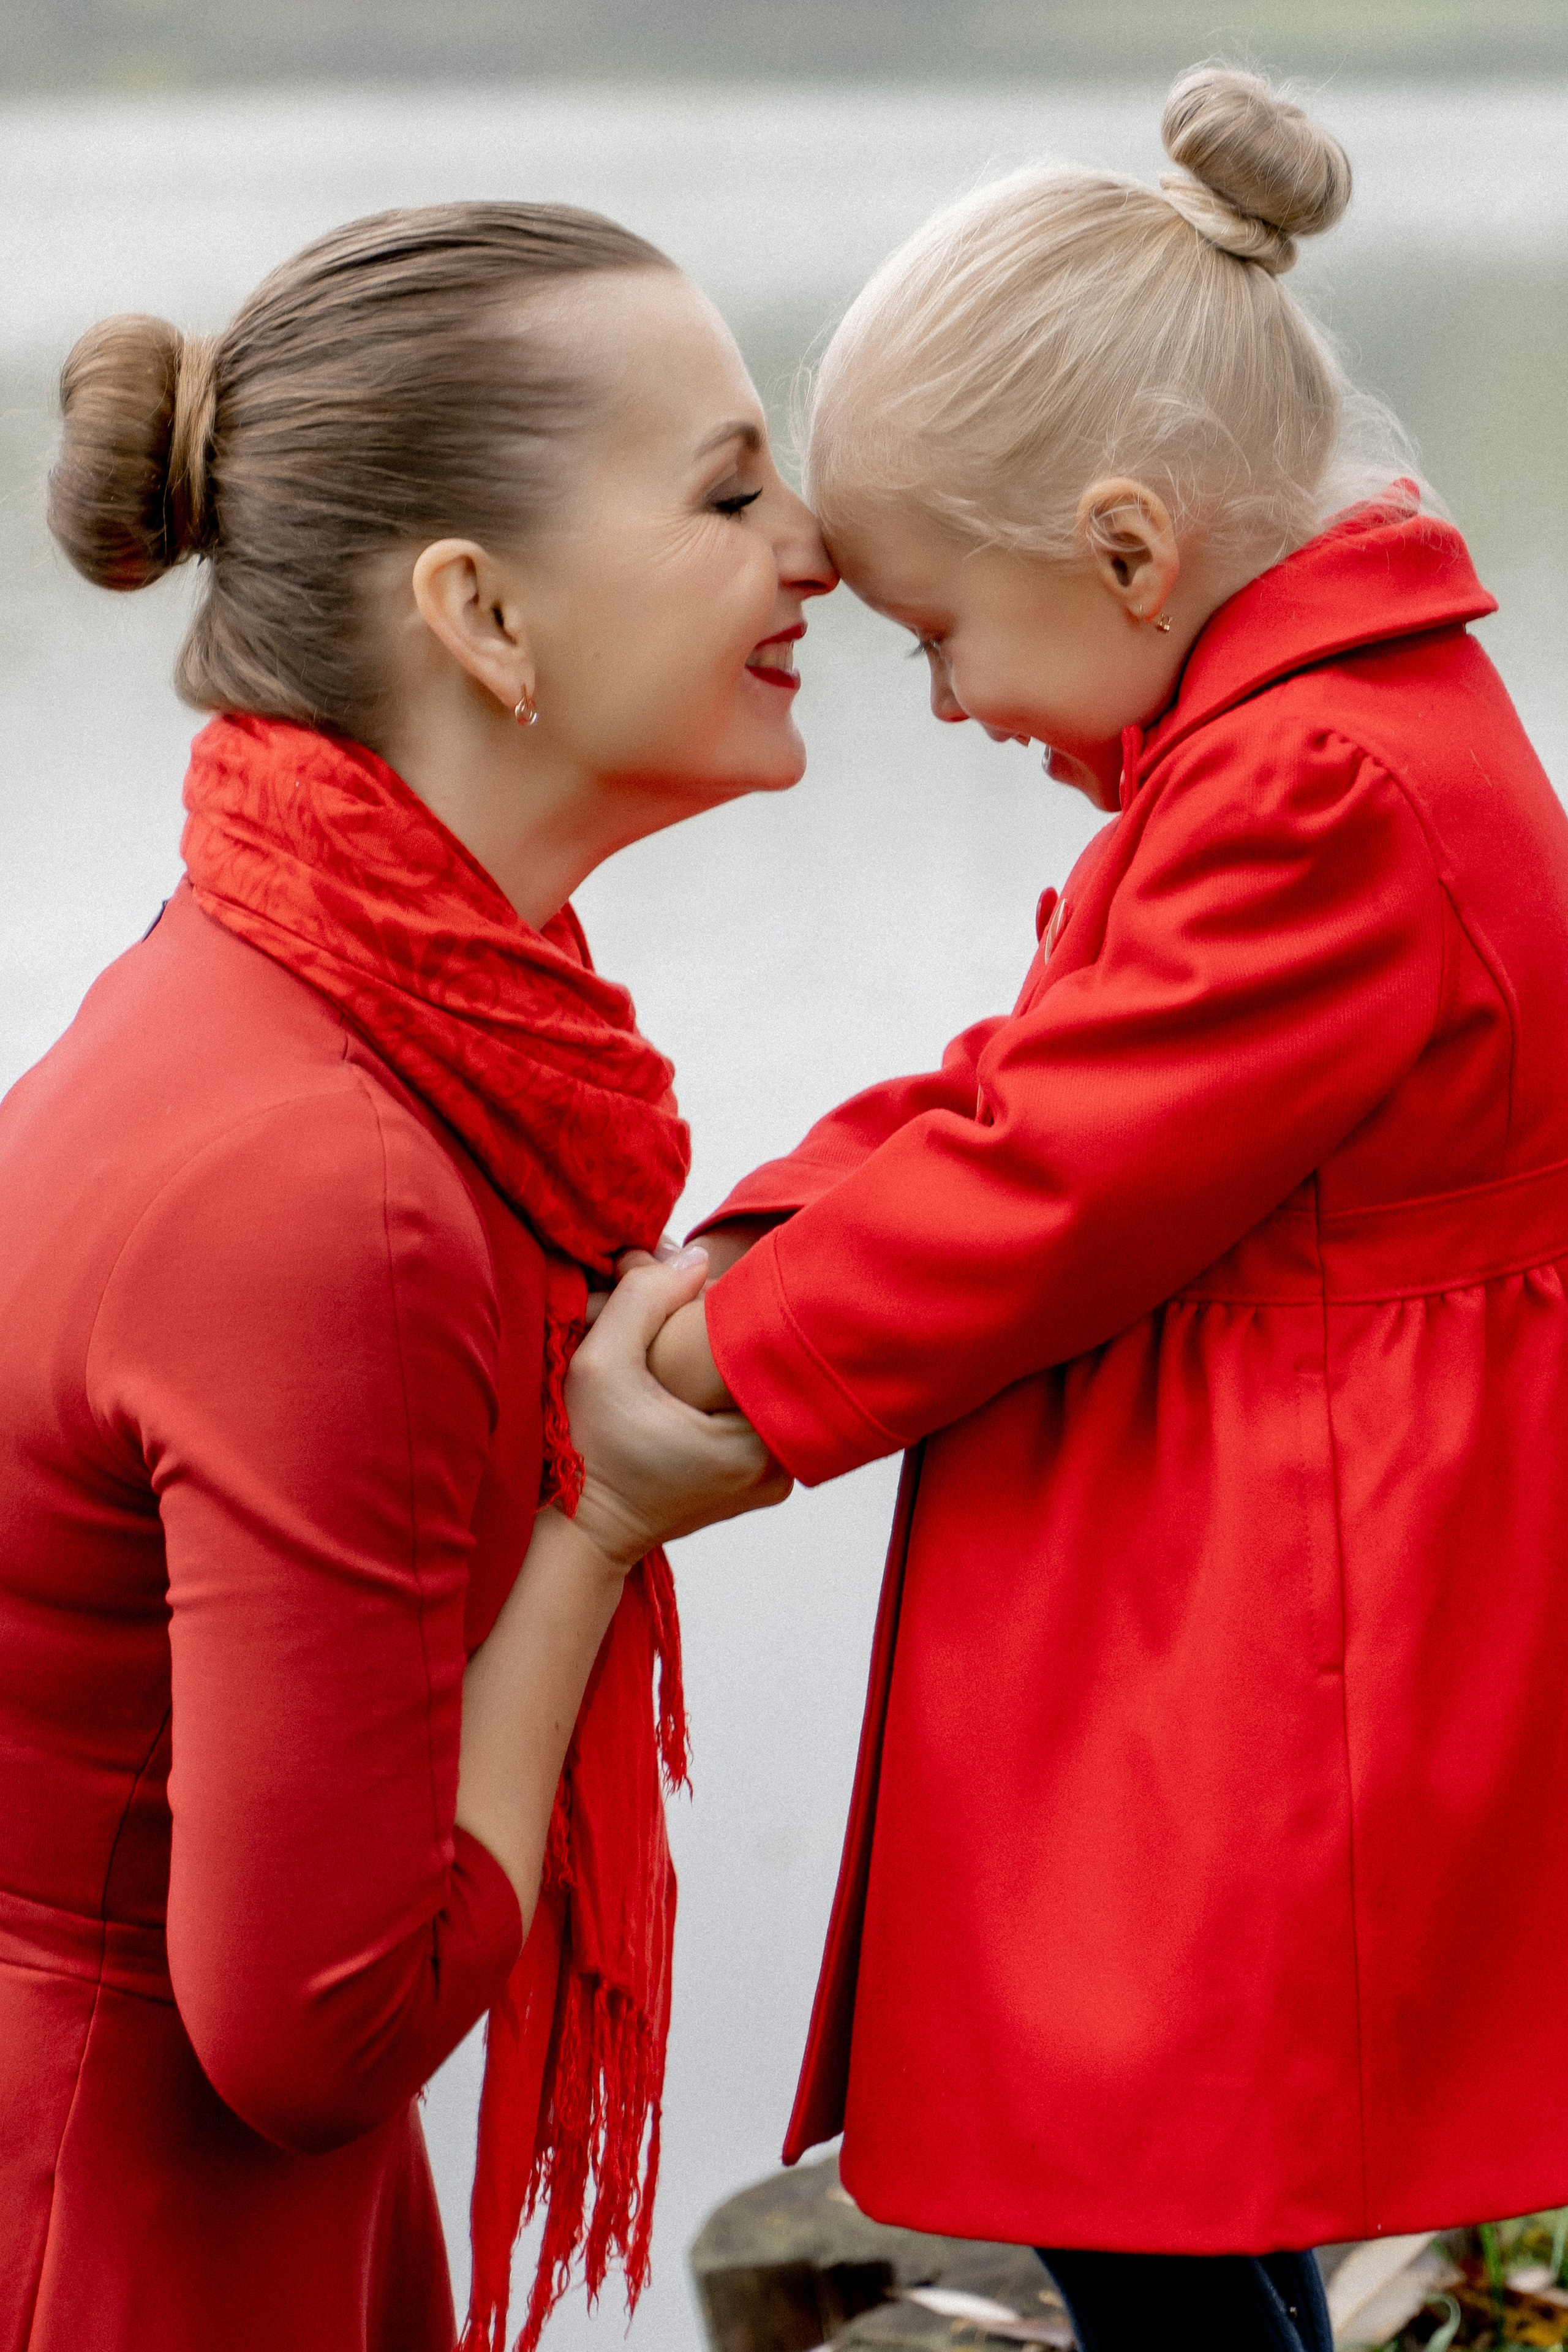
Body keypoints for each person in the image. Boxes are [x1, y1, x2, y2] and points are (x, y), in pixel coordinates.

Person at [644, 66, 1568, 2352]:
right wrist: (756, 1246)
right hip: (1265, 1559)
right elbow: (1040, 1081)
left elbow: (1052, 1183)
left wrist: (720, 1387)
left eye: (943, 632)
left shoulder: (1321, 788)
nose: (945, 702)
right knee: (1171, 2167)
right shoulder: (1285, 736)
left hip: (1300, 1613)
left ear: (1133, 551)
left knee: (1157, 2175)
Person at [0, 203, 831, 2352]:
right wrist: (601, 1514)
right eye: (733, 489)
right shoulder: (334, 1186)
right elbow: (317, 2027)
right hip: (130, 2249)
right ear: (479, 610)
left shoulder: (312, 995)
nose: (817, 547)